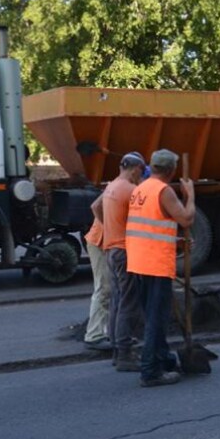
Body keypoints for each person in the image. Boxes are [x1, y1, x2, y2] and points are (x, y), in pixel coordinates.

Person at [126, 149, 196, 388]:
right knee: (157, 319)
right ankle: (150, 372)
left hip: (139, 260)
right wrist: (190, 195)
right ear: (170, 171)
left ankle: (163, 358)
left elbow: (150, 225)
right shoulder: (163, 191)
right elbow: (186, 219)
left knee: (153, 315)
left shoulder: (140, 189)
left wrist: (177, 241)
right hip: (155, 263)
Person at [91, 151, 146, 371]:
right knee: (128, 303)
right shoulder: (131, 190)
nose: (140, 175)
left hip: (111, 249)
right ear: (135, 169)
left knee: (117, 300)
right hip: (125, 252)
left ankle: (116, 348)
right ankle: (125, 354)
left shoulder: (111, 186)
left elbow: (95, 208)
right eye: (141, 171)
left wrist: (110, 227)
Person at [81, 217, 113, 351]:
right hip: (101, 243)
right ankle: (94, 335)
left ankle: (110, 332)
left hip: (106, 242)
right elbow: (96, 206)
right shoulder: (119, 195)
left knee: (110, 290)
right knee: (104, 289)